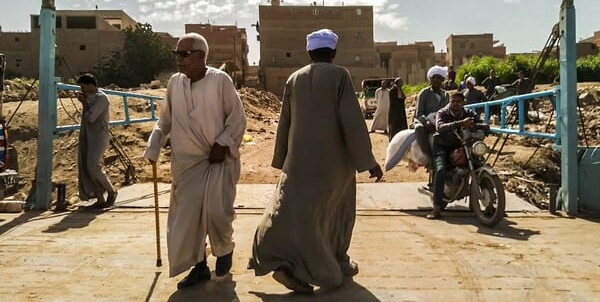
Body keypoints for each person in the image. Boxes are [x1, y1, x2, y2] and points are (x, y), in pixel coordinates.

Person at [249, 29, 383, 293]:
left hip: (298, 162)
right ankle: (336, 263)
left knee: (292, 213)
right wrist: (368, 161)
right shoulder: (340, 76)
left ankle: (282, 260)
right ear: (333, 52)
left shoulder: (293, 78)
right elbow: (352, 122)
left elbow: (284, 121)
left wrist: (282, 159)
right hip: (334, 165)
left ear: (310, 52)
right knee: (336, 214)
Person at [143, 33, 247, 288]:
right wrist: (155, 141)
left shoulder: (219, 80)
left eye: (184, 54)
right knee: (186, 220)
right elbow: (165, 121)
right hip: (186, 165)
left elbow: (237, 118)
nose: (179, 59)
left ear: (201, 56)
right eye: (176, 54)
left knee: (217, 213)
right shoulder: (174, 84)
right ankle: (199, 266)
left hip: (217, 162)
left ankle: (224, 250)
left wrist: (223, 143)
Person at [427, 91, 481, 219]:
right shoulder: (443, 113)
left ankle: (491, 207)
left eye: (458, 101)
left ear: (463, 103)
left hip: (461, 145)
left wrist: (485, 127)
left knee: (479, 164)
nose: (455, 104)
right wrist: (461, 123)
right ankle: (436, 208)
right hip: (443, 146)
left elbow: (479, 121)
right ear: (449, 102)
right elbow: (439, 127)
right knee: (440, 170)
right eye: (453, 101)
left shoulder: (469, 113)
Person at [76, 73, 117, 209]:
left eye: (83, 87)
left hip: (99, 136)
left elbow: (91, 117)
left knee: (93, 165)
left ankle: (111, 190)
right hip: (87, 134)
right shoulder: (89, 97)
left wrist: (84, 104)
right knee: (87, 166)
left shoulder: (102, 98)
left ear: (90, 85)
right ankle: (99, 198)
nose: (82, 89)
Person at [413, 65, 449, 168]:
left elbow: (446, 111)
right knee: (419, 129)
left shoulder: (445, 95)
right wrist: (426, 122)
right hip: (423, 120)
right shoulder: (424, 93)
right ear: (430, 78)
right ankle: (429, 158)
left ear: (442, 79)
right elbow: (419, 113)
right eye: (434, 77)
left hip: (439, 121)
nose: (436, 80)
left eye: (439, 78)